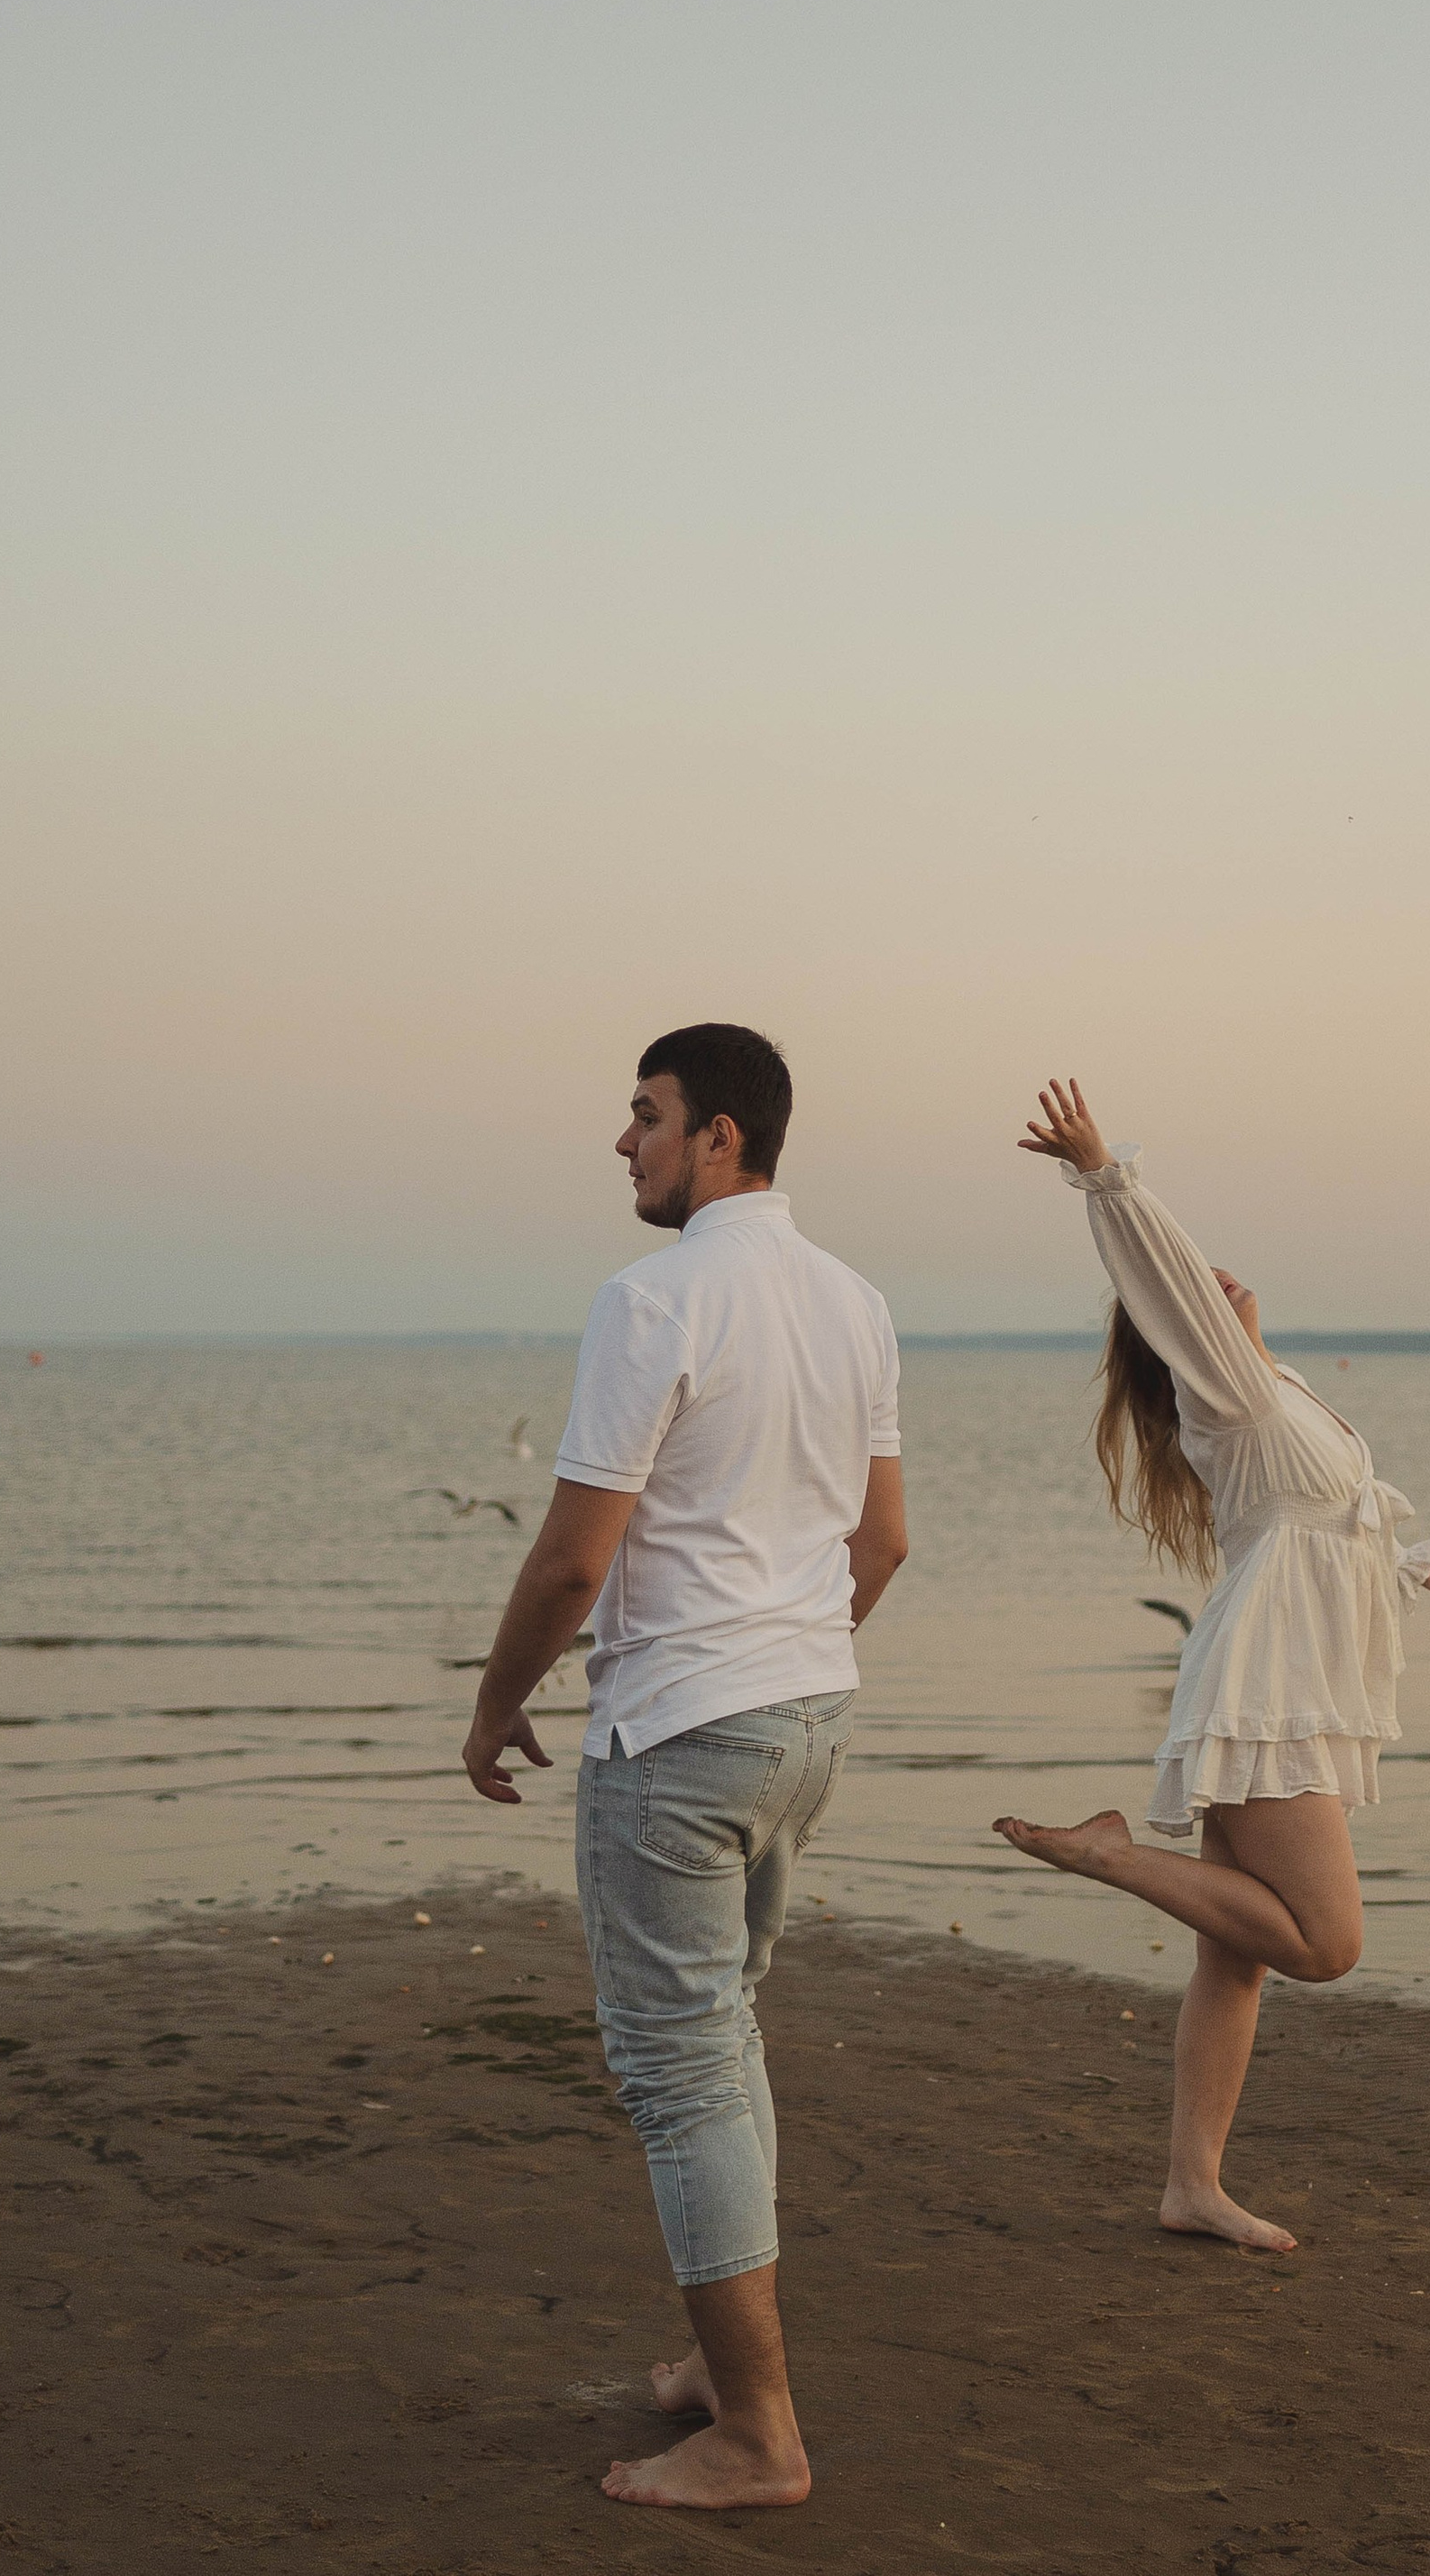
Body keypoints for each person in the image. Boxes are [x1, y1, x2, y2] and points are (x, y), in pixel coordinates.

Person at [463, 1022, 908, 2512]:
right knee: (727, 2043)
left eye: (644, 1115)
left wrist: (493, 1705)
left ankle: (760, 2437)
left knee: (681, 2072)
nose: (624, 1141)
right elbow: (884, 1541)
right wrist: (787, 1650)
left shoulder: (651, 1300)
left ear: (721, 1137)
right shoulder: (856, 1302)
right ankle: (727, 2371)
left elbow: (574, 1559)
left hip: (684, 1740)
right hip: (809, 1722)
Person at [997, 1075, 1430, 2253]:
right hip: (1269, 1690)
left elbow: (1322, 1526)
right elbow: (1161, 1269)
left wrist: (1421, 1562)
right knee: (1324, 1941)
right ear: (1180, 1337)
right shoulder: (1221, 1388)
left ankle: (1191, 2185)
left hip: (1287, 1676)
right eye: (1194, 1294)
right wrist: (1102, 1172)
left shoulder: (1276, 1394)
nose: (1216, 1283)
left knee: (1241, 1955)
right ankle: (1111, 1854)